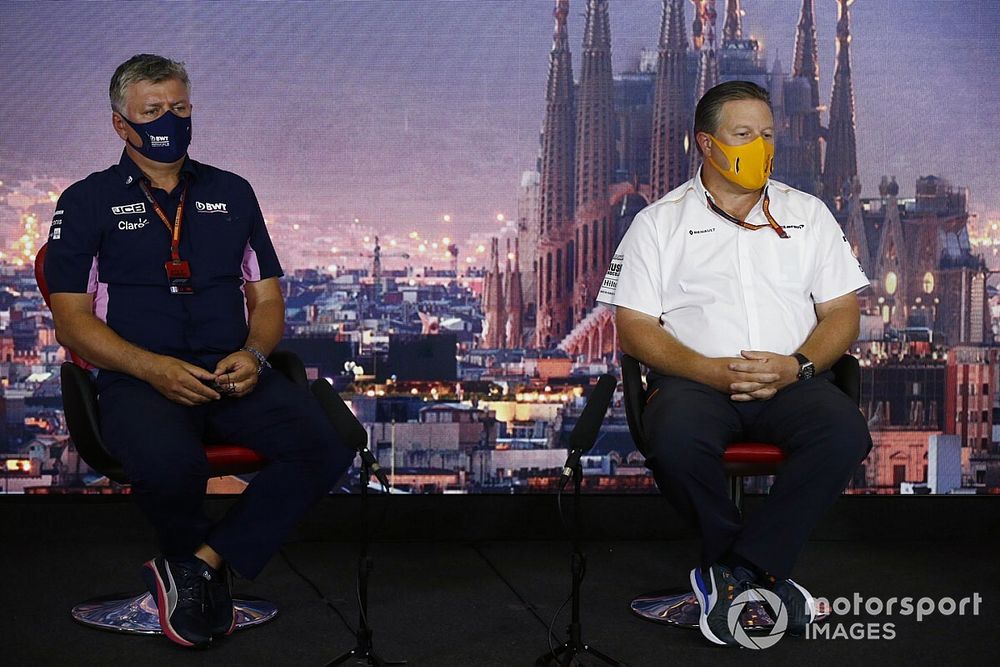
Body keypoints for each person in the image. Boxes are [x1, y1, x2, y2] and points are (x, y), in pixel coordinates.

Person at [44, 54, 354, 649]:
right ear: (120, 123)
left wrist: (256, 355)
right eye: (153, 110)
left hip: (229, 372)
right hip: (138, 376)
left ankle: (195, 569)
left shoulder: (233, 193)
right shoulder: (85, 201)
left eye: (180, 108)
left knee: (326, 442)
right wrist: (151, 368)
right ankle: (195, 582)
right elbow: (71, 322)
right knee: (173, 464)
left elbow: (265, 301)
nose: (170, 120)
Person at [597, 80, 872, 646]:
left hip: (792, 378)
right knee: (673, 438)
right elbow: (633, 327)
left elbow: (843, 314)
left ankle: (734, 576)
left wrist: (796, 366)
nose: (761, 147)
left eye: (768, 135)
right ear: (706, 143)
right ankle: (758, 578)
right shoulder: (659, 222)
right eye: (744, 134)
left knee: (844, 433)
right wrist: (709, 372)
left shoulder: (809, 215)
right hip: (695, 383)